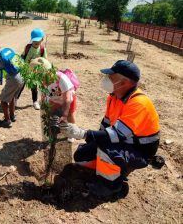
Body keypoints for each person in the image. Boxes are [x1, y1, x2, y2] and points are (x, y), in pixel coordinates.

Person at [60, 60, 160, 198]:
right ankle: (110, 171)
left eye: (111, 77)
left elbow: (116, 135)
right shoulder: (113, 98)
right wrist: (91, 142)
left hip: (139, 150)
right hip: (122, 141)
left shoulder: (139, 103)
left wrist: (82, 133)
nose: (106, 79)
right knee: (81, 156)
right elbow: (105, 126)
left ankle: (112, 187)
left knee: (107, 150)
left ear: (125, 83)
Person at [17, 28, 47, 110]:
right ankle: (15, 99)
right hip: (26, 70)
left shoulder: (42, 49)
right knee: (21, 85)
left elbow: (44, 61)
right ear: (31, 40)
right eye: (34, 41)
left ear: (42, 39)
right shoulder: (27, 47)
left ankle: (35, 101)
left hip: (35, 72)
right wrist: (20, 61)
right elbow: (23, 56)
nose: (36, 42)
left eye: (38, 40)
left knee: (34, 87)